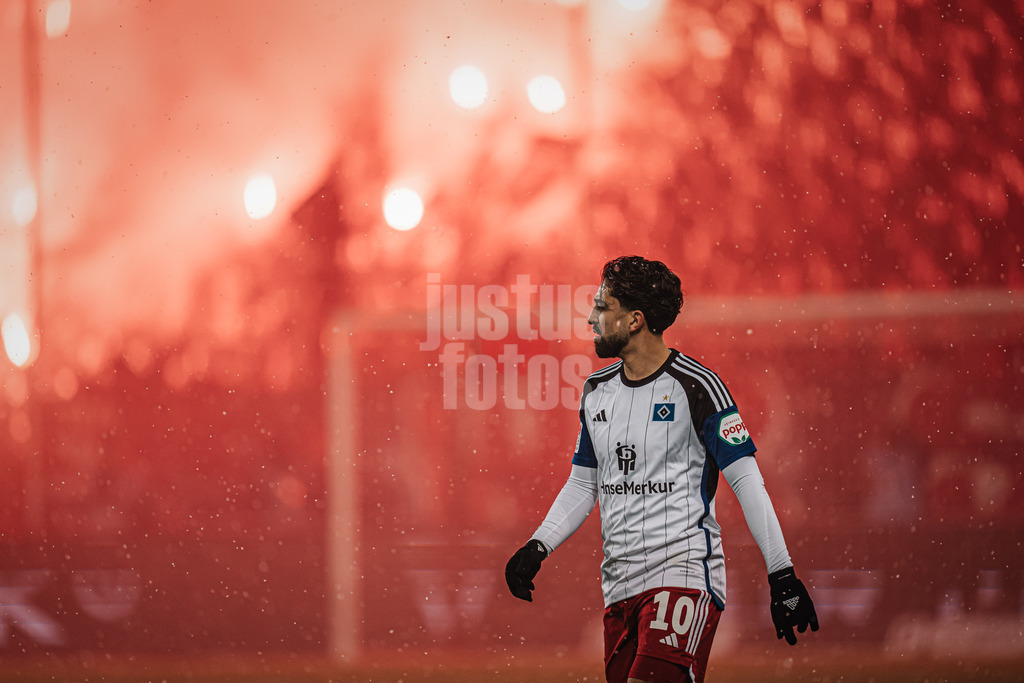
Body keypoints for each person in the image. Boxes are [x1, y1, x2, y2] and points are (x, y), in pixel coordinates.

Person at [505, 256, 818, 683]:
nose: (591, 318)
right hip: (619, 587)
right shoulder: (596, 392)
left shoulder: (700, 387)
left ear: (635, 320)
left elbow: (747, 482)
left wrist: (782, 575)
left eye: (602, 306)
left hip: (684, 574)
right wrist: (537, 546)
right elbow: (584, 484)